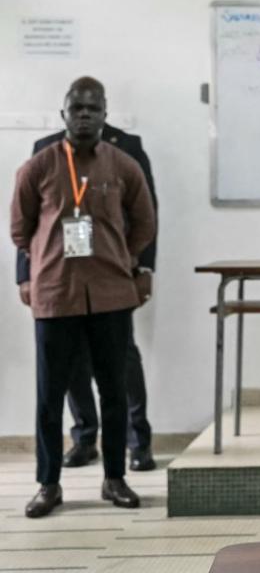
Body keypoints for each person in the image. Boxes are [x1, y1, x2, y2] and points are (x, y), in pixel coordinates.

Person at [10, 77, 156, 518]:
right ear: (64, 115)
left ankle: (115, 479)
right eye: (77, 108)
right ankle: (48, 485)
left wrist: (121, 258)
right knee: (50, 397)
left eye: (93, 108)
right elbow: (20, 227)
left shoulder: (124, 164)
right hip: (56, 295)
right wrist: (39, 266)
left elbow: (145, 223)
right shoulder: (39, 165)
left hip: (111, 295)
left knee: (113, 391)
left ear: (106, 114)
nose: (85, 115)